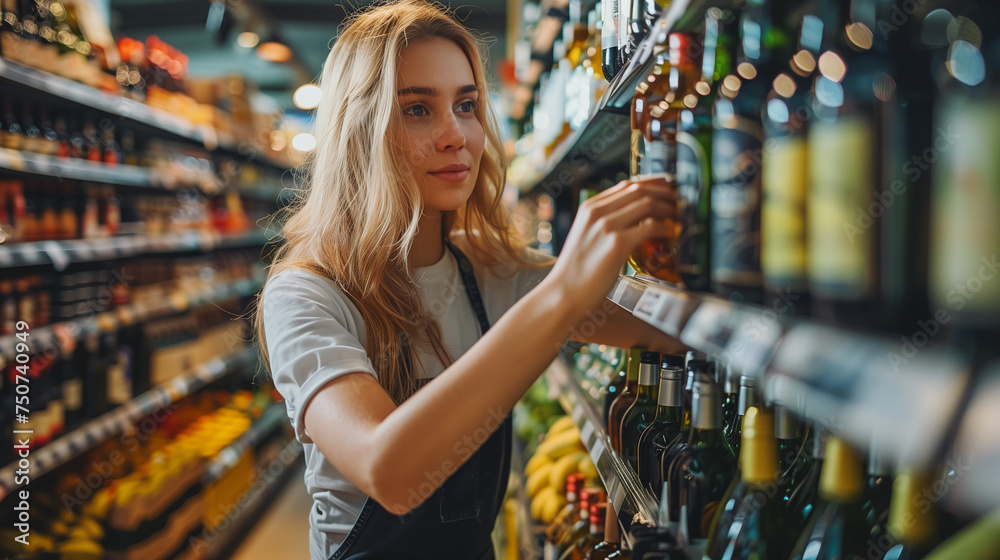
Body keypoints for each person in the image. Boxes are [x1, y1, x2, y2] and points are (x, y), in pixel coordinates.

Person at [255, 1, 678, 558]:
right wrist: (564, 291)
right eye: (416, 110)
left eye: (467, 104)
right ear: (357, 131)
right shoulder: (307, 295)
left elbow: (666, 330)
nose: (456, 134)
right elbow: (390, 471)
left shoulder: (490, 274)